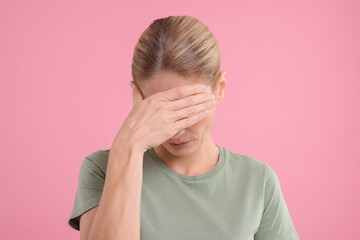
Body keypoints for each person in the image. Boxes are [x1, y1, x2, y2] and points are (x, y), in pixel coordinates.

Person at [68, 15, 300, 240]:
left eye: (188, 109)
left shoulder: (257, 180)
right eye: (162, 112)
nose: (177, 131)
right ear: (138, 98)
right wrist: (128, 145)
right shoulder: (102, 169)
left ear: (220, 88)